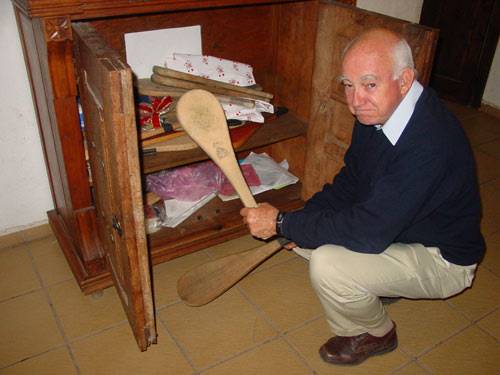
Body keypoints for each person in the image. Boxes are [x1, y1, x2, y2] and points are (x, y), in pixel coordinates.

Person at [240, 28, 485, 366]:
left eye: (369, 84)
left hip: (442, 257)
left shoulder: (429, 143)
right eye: (348, 84)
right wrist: (296, 222)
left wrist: (284, 223)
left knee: (327, 264)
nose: (355, 101)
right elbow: (352, 182)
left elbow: (368, 231)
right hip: (402, 229)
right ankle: (377, 285)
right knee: (308, 233)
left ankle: (375, 332)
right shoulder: (378, 114)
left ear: (404, 79)